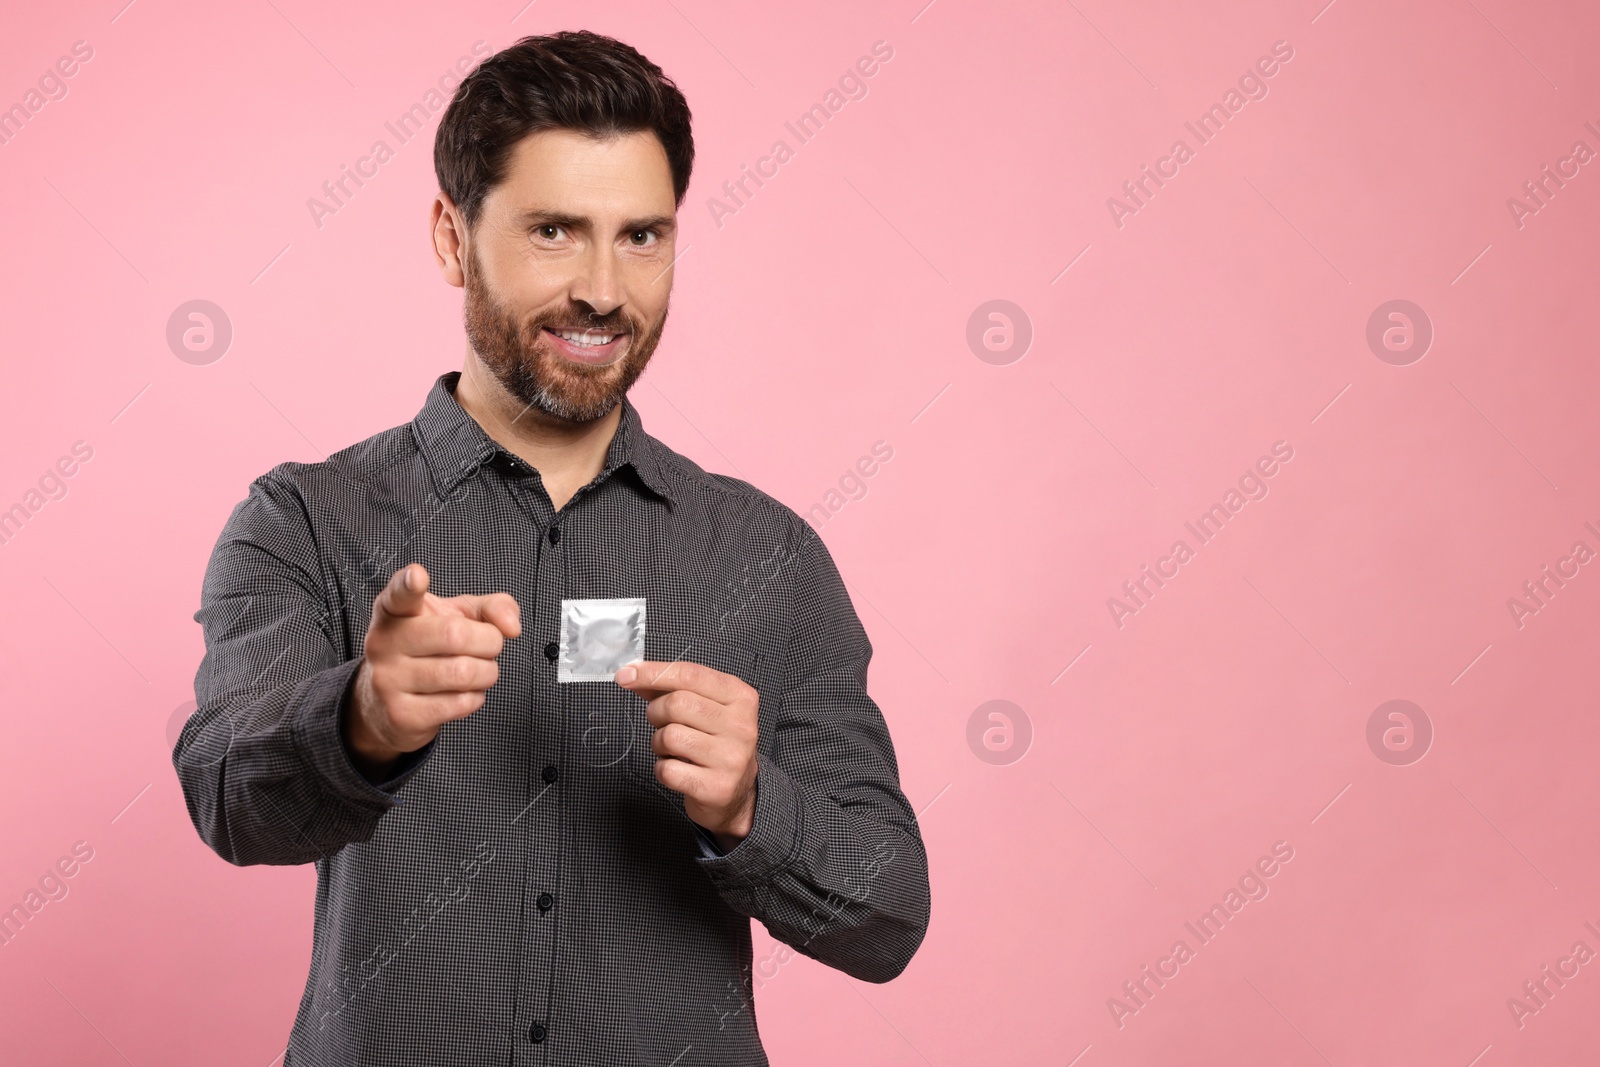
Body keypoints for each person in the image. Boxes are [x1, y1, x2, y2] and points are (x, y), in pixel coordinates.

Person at [173, 29, 930, 1066]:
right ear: (452, 239)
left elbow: (887, 915)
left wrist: (755, 804)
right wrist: (356, 720)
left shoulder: (766, 553)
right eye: (555, 231)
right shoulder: (307, 519)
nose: (605, 290)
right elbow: (223, 794)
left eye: (642, 237)